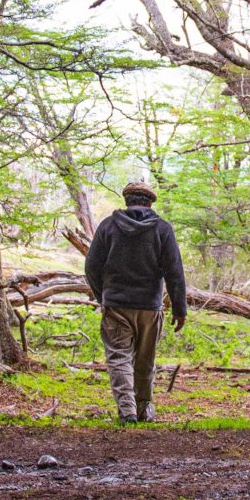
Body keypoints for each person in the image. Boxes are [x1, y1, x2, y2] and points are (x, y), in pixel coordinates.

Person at [84, 178, 188, 424]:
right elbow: (175, 271)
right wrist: (179, 309)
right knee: (145, 360)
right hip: (150, 308)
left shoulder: (108, 226)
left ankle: (127, 410)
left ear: (127, 200)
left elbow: (91, 267)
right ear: (150, 202)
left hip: (117, 305)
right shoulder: (162, 229)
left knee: (119, 356)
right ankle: (143, 409)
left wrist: (104, 296)